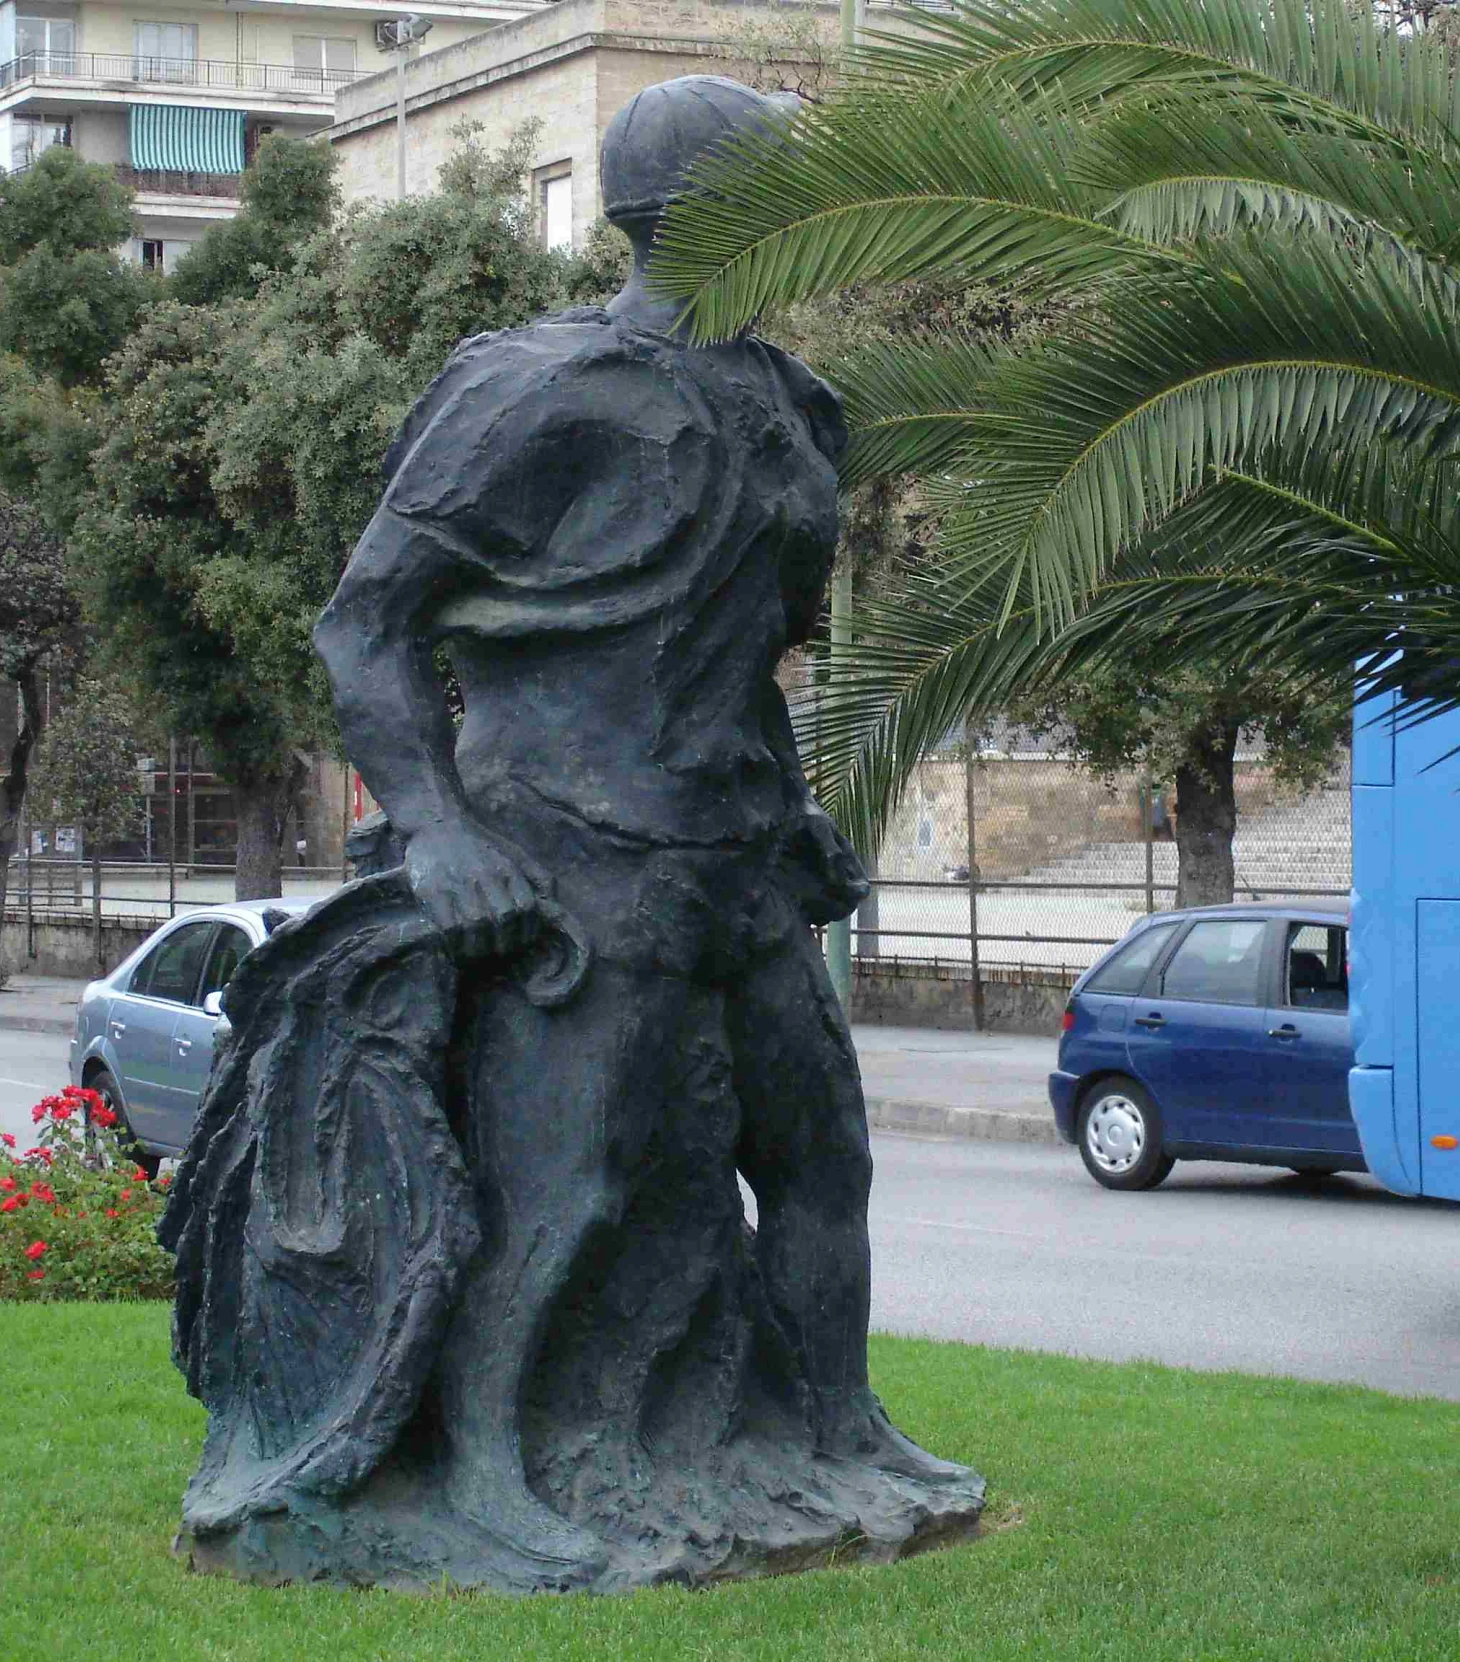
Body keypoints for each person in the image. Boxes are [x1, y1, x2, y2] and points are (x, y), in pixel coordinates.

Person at [304, 75, 974, 1584]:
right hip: (576, 854)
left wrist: (797, 813)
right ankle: (490, 1467)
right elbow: (367, 627)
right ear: (704, 209)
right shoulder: (531, 386)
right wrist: (437, 827)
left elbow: (742, 646)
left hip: (740, 853)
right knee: (571, 1188)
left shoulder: (801, 405)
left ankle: (839, 1425)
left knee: (823, 1165)